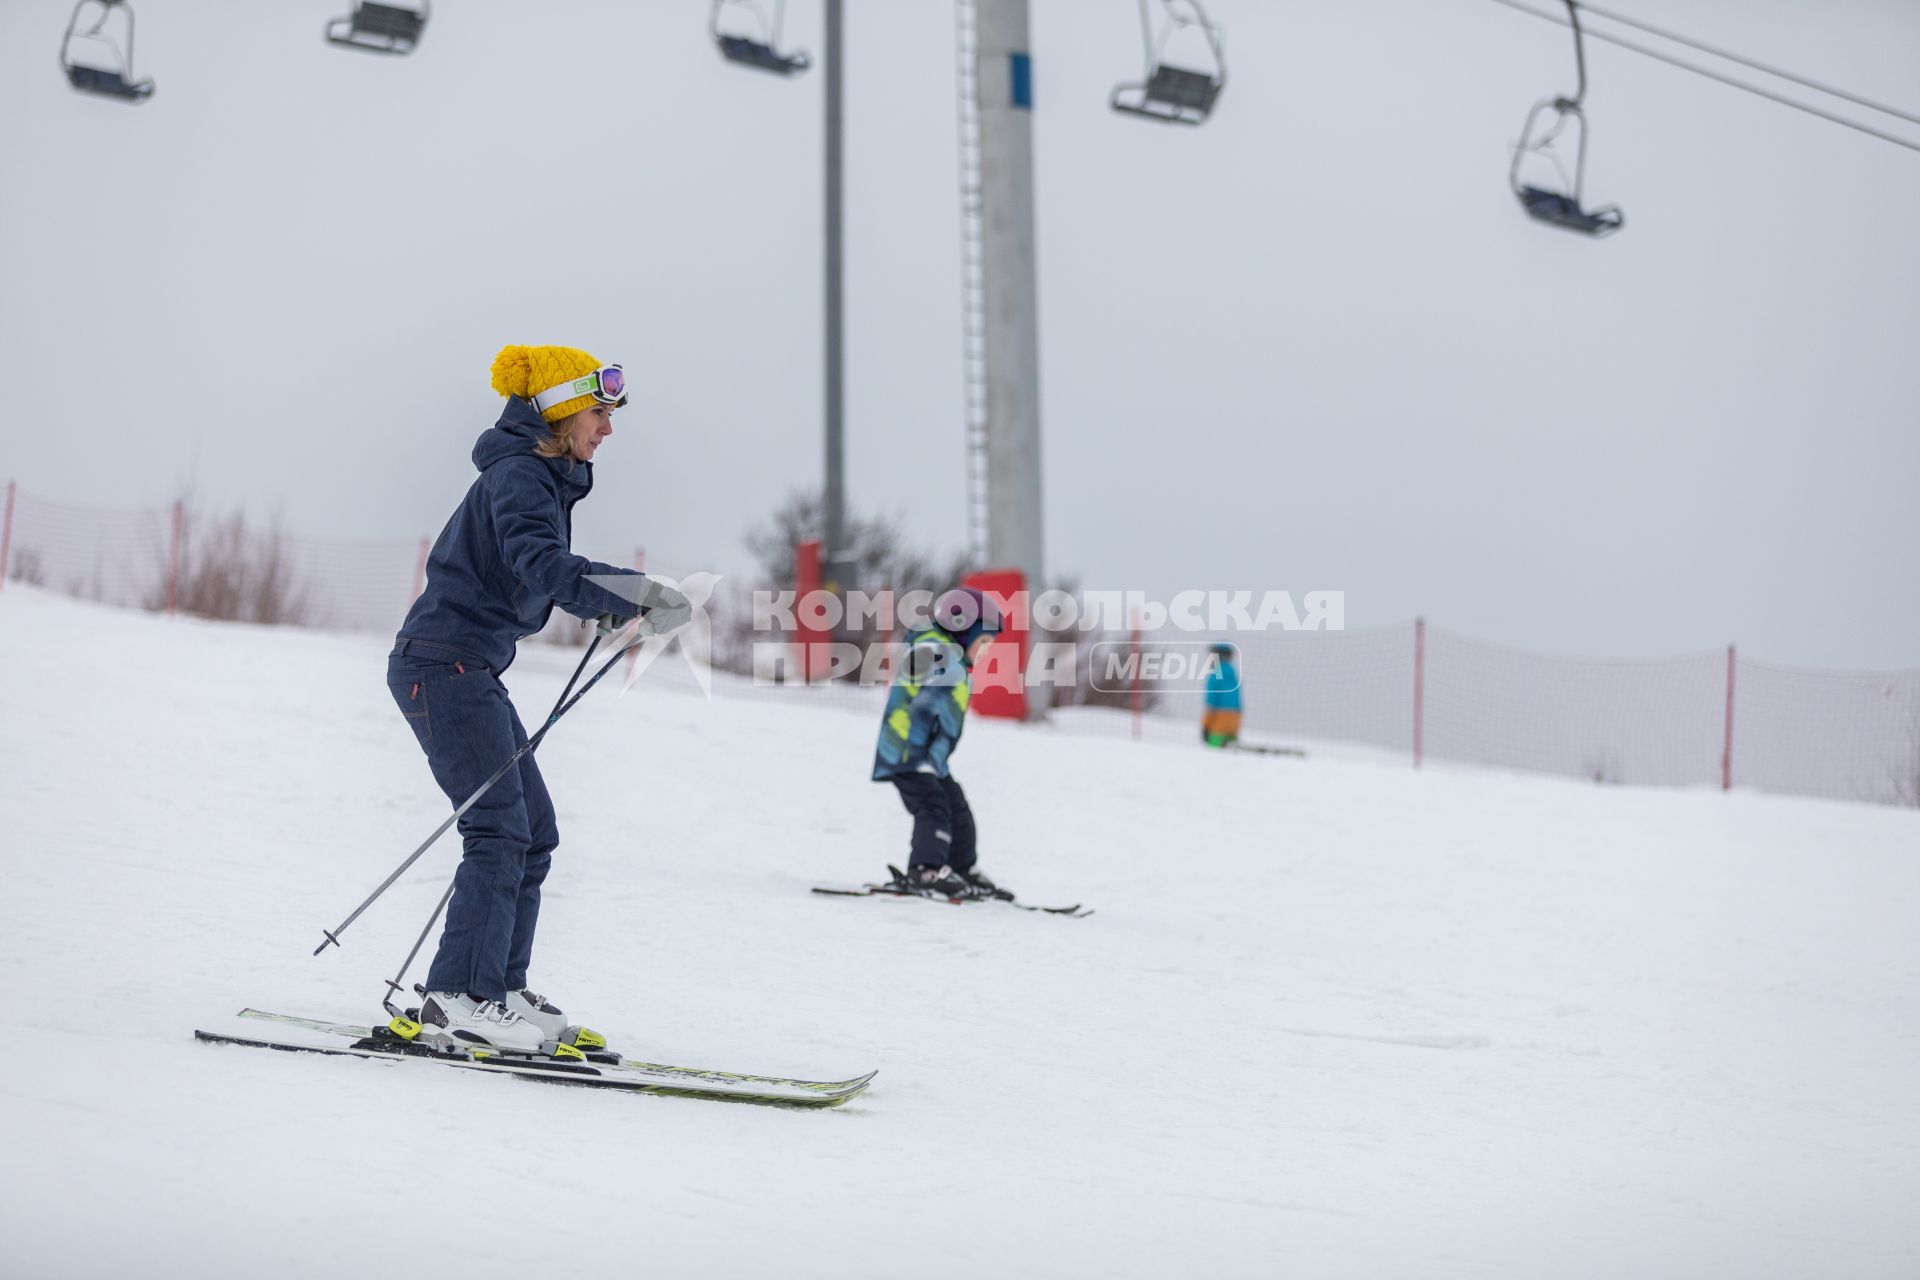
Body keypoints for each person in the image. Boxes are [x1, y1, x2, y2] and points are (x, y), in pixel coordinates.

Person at [386, 344, 688, 1052]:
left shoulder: (540, 478)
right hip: (443, 665)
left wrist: (613, 601)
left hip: (469, 669)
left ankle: (494, 989)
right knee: (497, 829)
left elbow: (538, 568)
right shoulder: (521, 475)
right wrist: (630, 592)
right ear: (558, 411)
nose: (607, 430)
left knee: (534, 830)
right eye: (598, 412)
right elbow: (542, 564)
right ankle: (455, 997)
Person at [871, 587, 1010, 900]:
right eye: (984, 641)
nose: (986, 651)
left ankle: (961, 867)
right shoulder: (934, 650)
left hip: (930, 759)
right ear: (963, 630)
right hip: (908, 752)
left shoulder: (953, 662)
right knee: (933, 807)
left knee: (956, 806)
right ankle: (926, 869)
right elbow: (925, 688)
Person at [1202, 641, 1242, 748]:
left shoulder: (1215, 673)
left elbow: (1212, 699)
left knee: (1215, 750)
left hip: (1219, 717)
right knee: (1230, 750)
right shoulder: (1232, 672)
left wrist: (1205, 726)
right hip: (1235, 716)